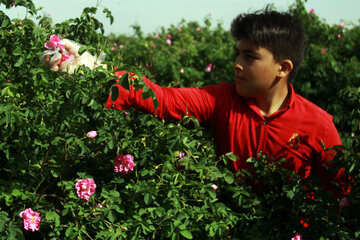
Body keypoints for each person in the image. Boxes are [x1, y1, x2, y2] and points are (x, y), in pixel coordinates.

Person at [105, 8, 347, 197]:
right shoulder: (220, 100)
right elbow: (162, 99)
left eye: (250, 56)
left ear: (283, 68)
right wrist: (96, 70)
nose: (237, 64)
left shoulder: (318, 125)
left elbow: (340, 198)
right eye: (238, 54)